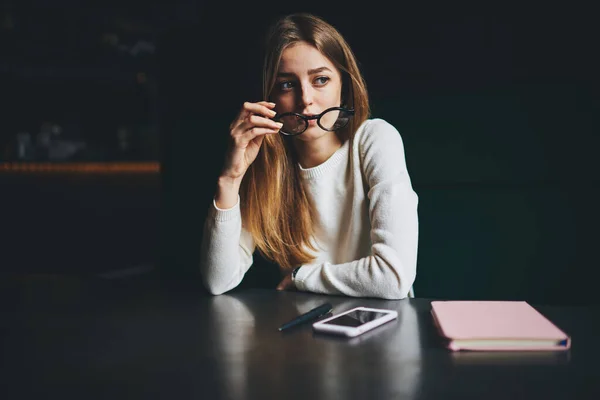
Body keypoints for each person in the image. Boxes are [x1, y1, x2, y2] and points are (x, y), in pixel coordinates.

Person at [199, 12, 418, 299]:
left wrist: (301, 276)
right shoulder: (266, 162)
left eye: (321, 79)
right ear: (270, 96)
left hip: (382, 328)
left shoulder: (375, 139)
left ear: (344, 84)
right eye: (287, 84)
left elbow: (393, 277)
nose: (305, 100)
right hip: (303, 333)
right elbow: (218, 280)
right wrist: (230, 178)